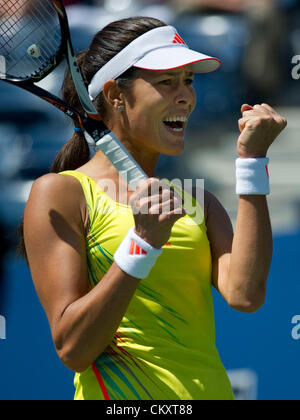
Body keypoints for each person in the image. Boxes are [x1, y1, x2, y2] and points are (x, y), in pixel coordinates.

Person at [19, 17, 287, 400]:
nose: (186, 97)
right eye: (167, 82)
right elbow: (73, 347)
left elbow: (245, 294)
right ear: (114, 95)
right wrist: (141, 244)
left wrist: (252, 162)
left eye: (189, 81)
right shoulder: (60, 193)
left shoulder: (199, 202)